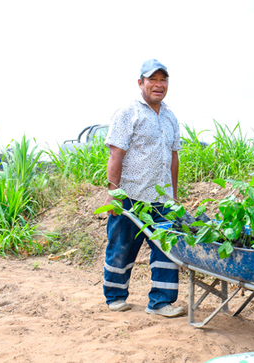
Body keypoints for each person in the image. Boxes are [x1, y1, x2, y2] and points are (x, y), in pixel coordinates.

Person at [102, 59, 184, 317]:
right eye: (153, 80)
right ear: (141, 83)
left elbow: (173, 157)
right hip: (131, 195)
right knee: (121, 247)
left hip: (161, 199)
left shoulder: (170, 116)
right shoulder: (129, 112)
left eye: (163, 80)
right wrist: (114, 193)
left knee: (167, 250)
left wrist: (173, 195)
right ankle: (115, 296)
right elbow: (116, 153)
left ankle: (160, 302)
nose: (159, 85)